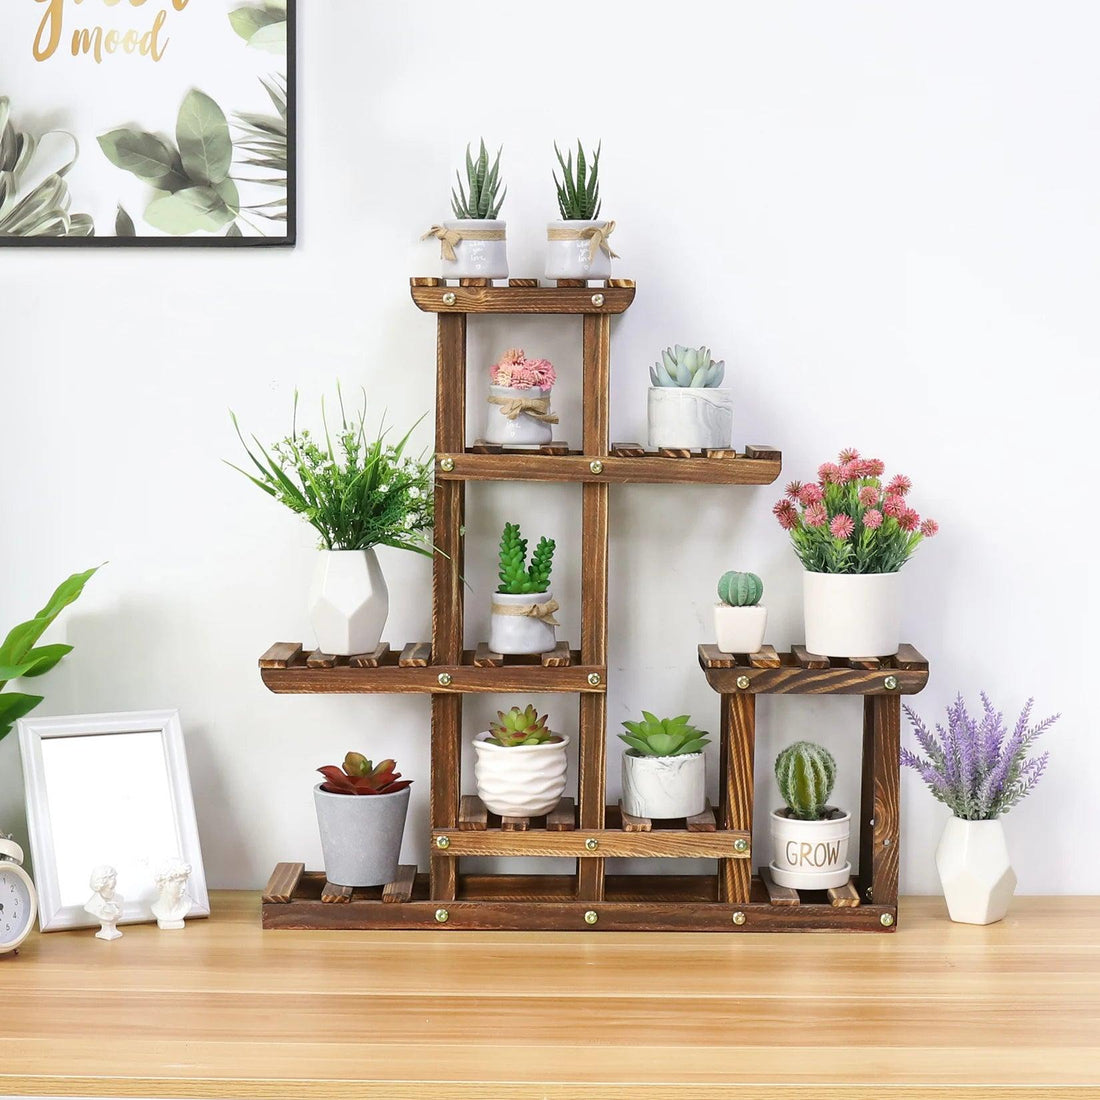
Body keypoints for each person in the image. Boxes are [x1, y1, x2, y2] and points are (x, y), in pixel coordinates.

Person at [151, 857, 192, 930]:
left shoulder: (186, 906)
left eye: (185, 882)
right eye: (179, 882)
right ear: (165, 883)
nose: (184, 887)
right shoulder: (156, 908)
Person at [84, 865, 123, 941]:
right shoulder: (92, 904)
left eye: (114, 877)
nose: (114, 879)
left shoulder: (120, 899)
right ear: (102, 880)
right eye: (111, 877)